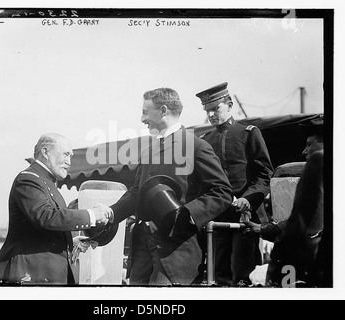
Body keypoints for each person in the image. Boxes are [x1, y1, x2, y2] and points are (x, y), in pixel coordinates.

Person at [106, 88, 233, 286]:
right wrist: (109, 214)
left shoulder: (196, 146)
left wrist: (186, 215)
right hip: (141, 248)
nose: (142, 119)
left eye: (145, 112)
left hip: (175, 252)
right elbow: (136, 193)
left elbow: (222, 192)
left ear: (163, 110)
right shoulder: (149, 150)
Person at [0, 133, 111, 285]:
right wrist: (91, 216)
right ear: (45, 152)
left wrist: (70, 241)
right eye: (65, 154)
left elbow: (41, 229)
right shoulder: (28, 179)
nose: (69, 162)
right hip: (30, 276)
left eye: (71, 156)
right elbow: (46, 217)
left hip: (40, 276)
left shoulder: (43, 181)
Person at [196, 82, 274, 286]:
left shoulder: (248, 133)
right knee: (218, 275)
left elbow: (264, 174)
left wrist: (247, 200)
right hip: (217, 216)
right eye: (207, 110)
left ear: (229, 105)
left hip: (245, 218)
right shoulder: (205, 140)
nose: (211, 114)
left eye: (216, 109)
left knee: (244, 275)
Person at [244, 116, 324, 243]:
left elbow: (305, 217)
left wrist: (265, 229)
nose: (304, 151)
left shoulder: (319, 166)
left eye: (309, 144)